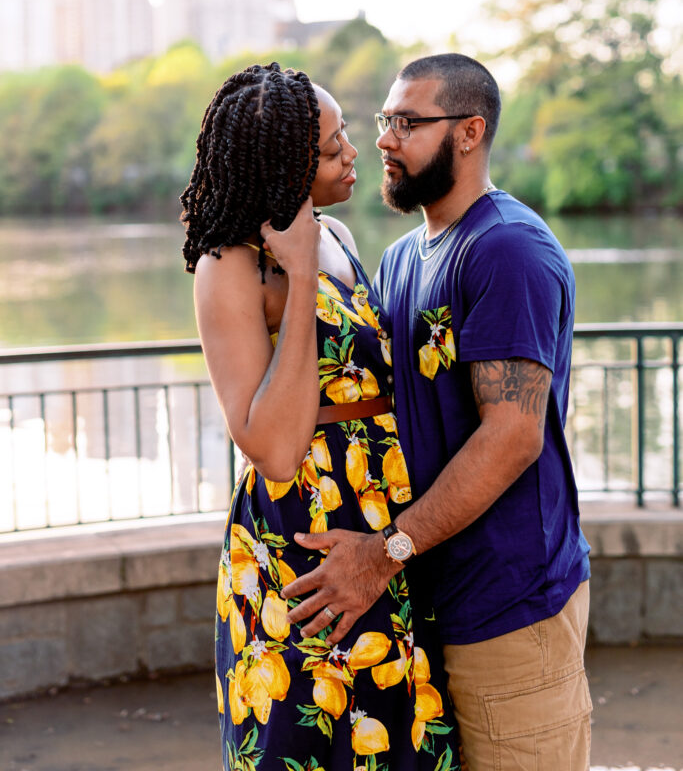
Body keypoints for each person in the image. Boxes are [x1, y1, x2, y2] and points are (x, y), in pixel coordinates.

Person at [281, 54, 592, 770]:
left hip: (508, 608)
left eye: (409, 123)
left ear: (468, 132)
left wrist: (382, 553)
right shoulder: (398, 259)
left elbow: (512, 436)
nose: (385, 139)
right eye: (385, 121)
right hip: (422, 607)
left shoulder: (506, 250)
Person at [180, 61, 459, 771]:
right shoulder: (232, 265)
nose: (353, 153)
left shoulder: (339, 237)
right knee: (310, 739)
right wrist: (299, 274)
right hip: (300, 542)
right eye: (333, 146)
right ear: (283, 167)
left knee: (397, 733)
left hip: (378, 526)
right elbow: (271, 448)